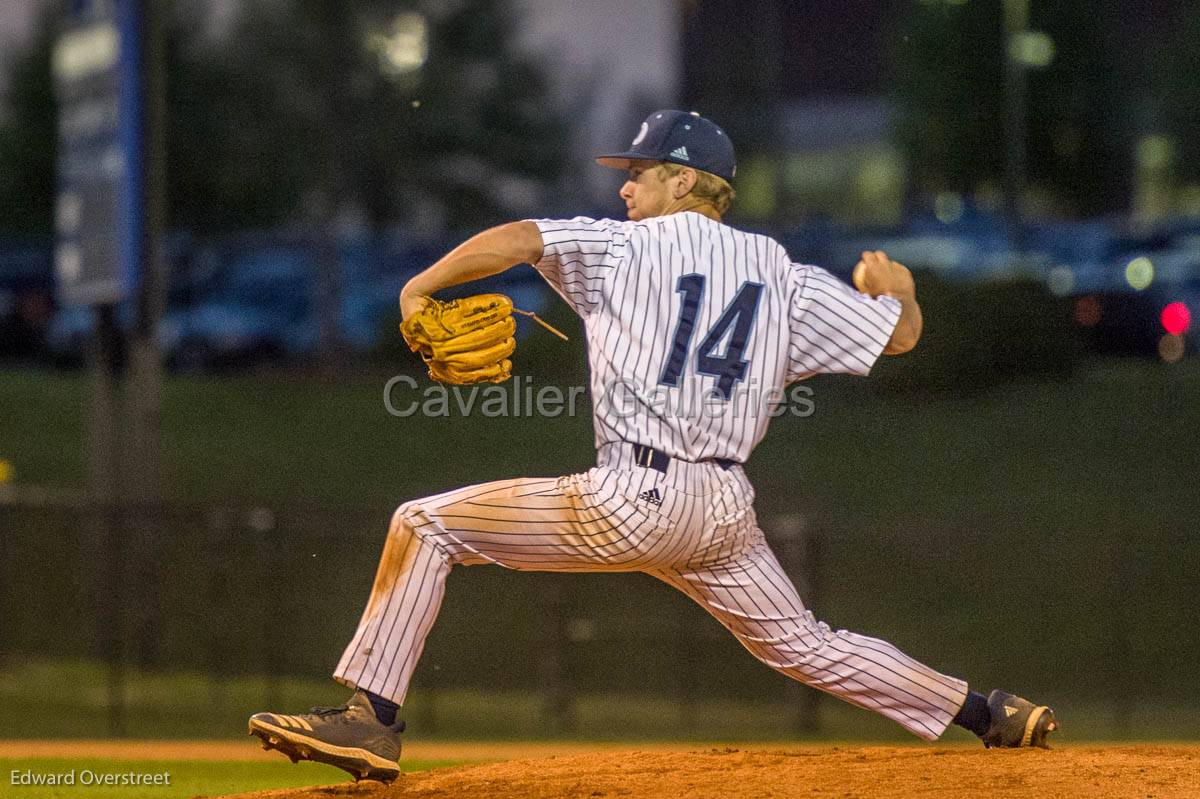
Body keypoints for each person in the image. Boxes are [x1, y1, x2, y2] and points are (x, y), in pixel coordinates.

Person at [248, 110, 1058, 783]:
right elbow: (899, 340)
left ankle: (371, 719)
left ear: (684, 180)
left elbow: (523, 238)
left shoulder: (621, 248)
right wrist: (905, 296)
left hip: (632, 497)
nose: (625, 186)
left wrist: (421, 285)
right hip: (723, 512)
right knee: (808, 643)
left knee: (425, 525)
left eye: (639, 171)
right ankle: (990, 714)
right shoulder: (780, 271)